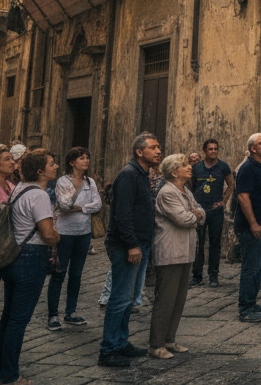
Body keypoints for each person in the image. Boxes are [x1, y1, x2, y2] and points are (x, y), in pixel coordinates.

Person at [0, 150, 60, 385]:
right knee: (18, 321)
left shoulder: (19, 188)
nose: (56, 166)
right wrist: (58, 237)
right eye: (51, 163)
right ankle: (10, 376)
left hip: (14, 254)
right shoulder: (39, 195)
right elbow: (48, 234)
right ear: (40, 171)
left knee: (8, 318)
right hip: (31, 257)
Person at [98, 133, 161, 367]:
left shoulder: (142, 174)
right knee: (120, 297)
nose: (158, 151)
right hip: (126, 245)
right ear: (139, 152)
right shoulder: (128, 175)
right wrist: (132, 244)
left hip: (140, 242)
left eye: (158, 147)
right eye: (153, 148)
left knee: (129, 298)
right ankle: (108, 349)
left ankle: (121, 342)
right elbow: (122, 214)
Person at [150, 153, 204, 358]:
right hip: (170, 251)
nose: (190, 167)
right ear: (174, 172)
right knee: (166, 299)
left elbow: (201, 212)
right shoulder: (167, 192)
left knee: (179, 299)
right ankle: (156, 344)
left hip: (185, 251)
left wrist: (196, 214)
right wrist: (195, 215)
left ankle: (169, 340)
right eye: (184, 165)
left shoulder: (185, 190)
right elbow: (183, 219)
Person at [47, 147, 101, 331]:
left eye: (87, 157)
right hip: (64, 233)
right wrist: (85, 205)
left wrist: (80, 208)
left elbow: (98, 204)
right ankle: (53, 315)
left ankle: (71, 312)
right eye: (81, 158)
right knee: (59, 274)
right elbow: (64, 205)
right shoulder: (63, 181)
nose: (86, 161)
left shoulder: (90, 182)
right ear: (72, 162)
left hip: (83, 233)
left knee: (76, 275)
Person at [234, 133, 261, 322]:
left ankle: (251, 302)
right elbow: (243, 197)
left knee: (258, 268)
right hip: (251, 228)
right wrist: (253, 223)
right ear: (253, 148)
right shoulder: (248, 168)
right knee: (251, 268)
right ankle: (245, 309)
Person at [190, 138, 233, 288]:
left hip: (216, 211)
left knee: (215, 243)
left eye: (215, 149)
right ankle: (197, 276)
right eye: (210, 149)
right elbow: (191, 186)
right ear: (204, 151)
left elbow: (231, 184)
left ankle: (213, 275)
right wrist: (193, 205)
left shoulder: (223, 166)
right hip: (200, 211)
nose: (213, 151)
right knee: (198, 243)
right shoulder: (197, 168)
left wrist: (224, 200)